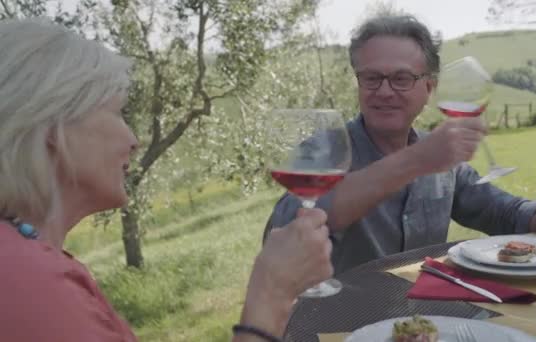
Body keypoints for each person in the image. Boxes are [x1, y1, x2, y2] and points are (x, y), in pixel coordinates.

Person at [0, 18, 333, 342]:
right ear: (54, 127)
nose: (134, 140)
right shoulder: (30, 285)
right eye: (118, 113)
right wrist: (271, 295)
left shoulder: (26, 259)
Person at [264, 14, 536, 275]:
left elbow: (500, 210)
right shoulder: (326, 151)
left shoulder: (439, 158)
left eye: (401, 78)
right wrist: (416, 161)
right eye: (371, 78)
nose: (384, 91)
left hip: (423, 320)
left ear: (429, 88)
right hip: (333, 324)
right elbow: (283, 229)